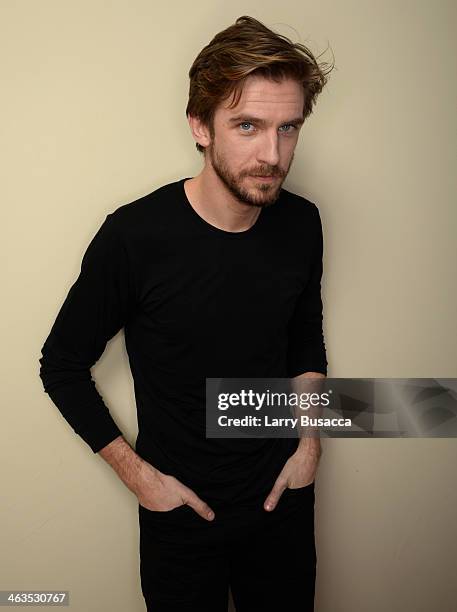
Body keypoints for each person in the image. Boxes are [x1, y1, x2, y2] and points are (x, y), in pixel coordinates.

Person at [38, 14, 333, 612]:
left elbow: (305, 340)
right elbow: (61, 363)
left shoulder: (302, 223)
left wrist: (309, 448)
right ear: (200, 126)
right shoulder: (134, 237)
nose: (272, 154)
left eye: (288, 128)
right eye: (247, 126)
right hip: (181, 519)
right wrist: (140, 478)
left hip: (282, 506)